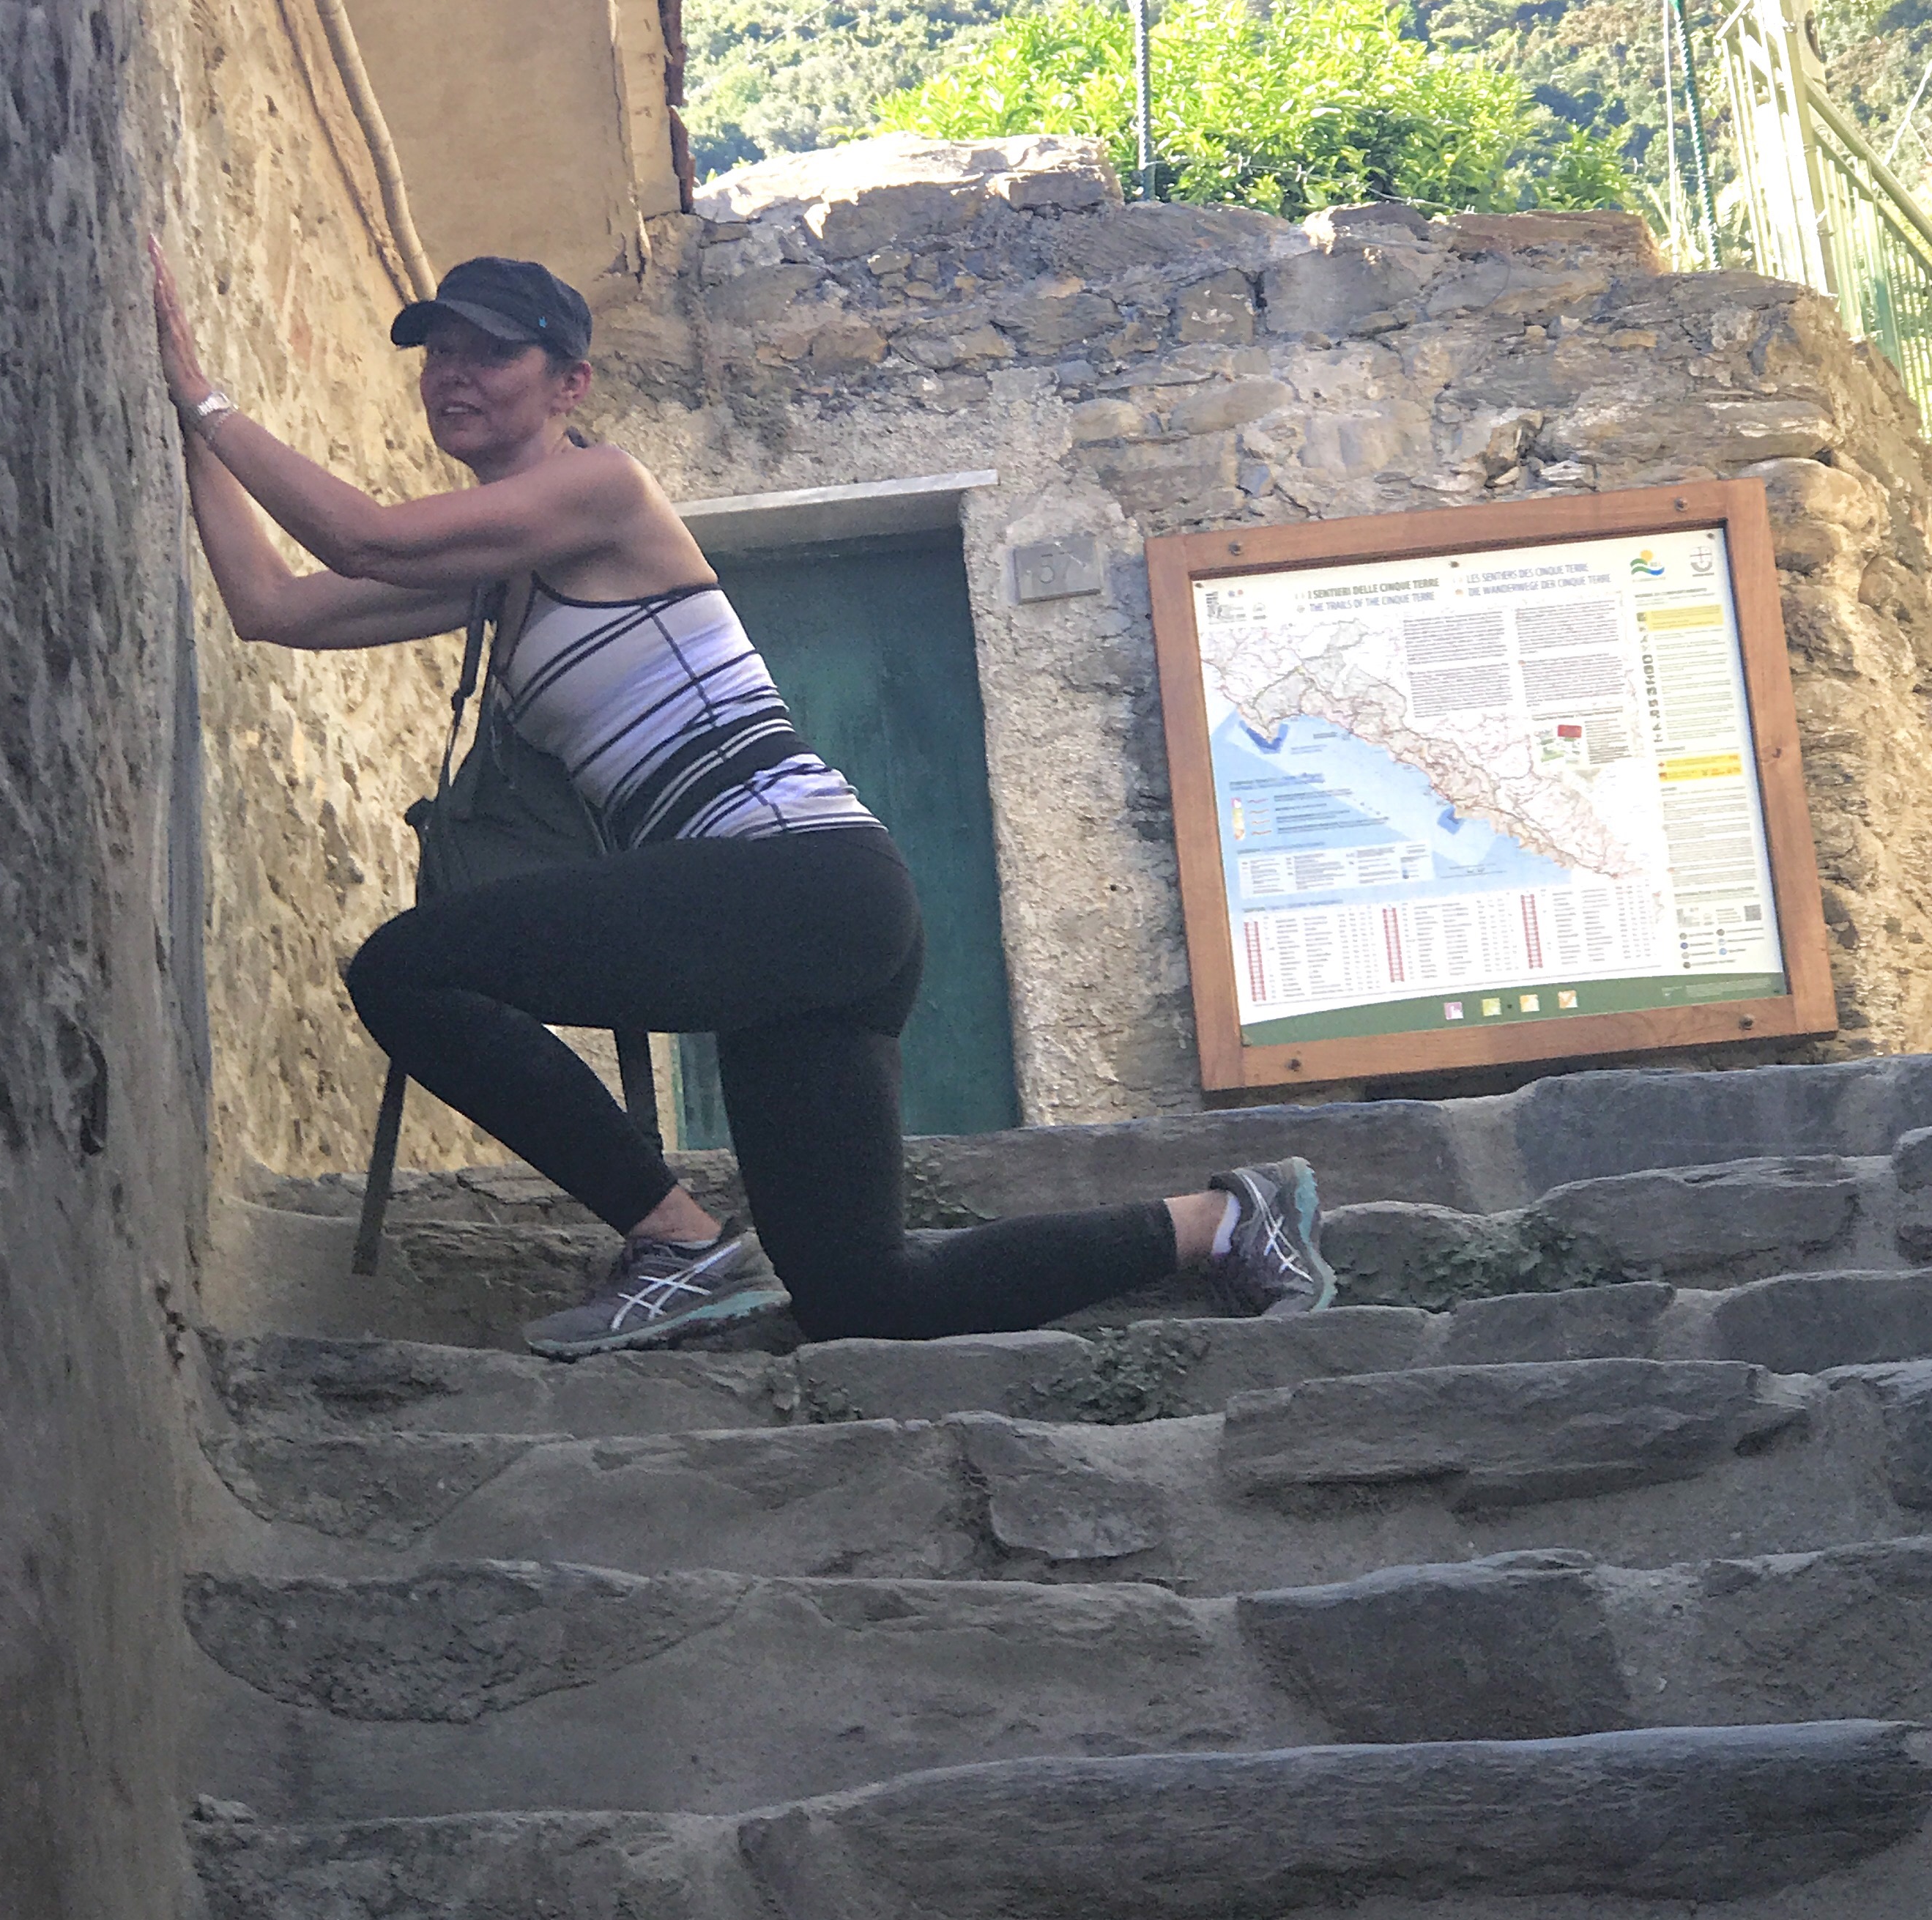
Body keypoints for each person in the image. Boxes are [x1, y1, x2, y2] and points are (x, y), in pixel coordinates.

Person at [149, 240, 1336, 1357]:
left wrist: (203, 396)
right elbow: (272, 605)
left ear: (570, 384)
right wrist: (181, 423)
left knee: (406, 970)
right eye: (437, 352)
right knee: (861, 1298)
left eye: (491, 352)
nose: (453, 374)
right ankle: (1225, 1221)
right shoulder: (493, 579)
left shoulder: (605, 490)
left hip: (797, 877)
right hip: (815, 918)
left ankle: (676, 1242)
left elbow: (361, 540)